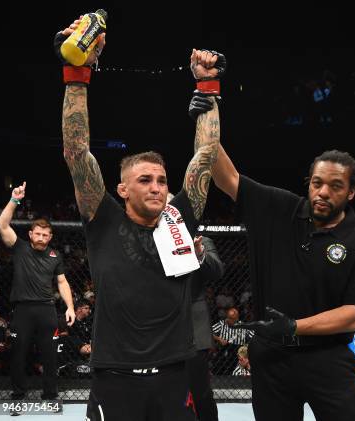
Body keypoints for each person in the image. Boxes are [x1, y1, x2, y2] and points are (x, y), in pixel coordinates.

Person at [56, 17, 223, 421]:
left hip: (174, 373)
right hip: (114, 375)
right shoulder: (103, 217)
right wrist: (77, 73)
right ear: (122, 189)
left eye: (162, 180)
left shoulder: (177, 216)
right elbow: (77, 153)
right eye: (144, 180)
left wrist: (208, 86)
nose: (156, 187)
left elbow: (205, 157)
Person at [189, 79, 355, 420]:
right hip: (271, 359)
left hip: (329, 358)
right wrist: (207, 104)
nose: (323, 192)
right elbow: (225, 177)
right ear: (308, 182)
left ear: (351, 193)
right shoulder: (280, 208)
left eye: (335, 186)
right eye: (317, 183)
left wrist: (294, 327)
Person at [0, 182, 75, 401]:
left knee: (50, 355)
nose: (41, 238)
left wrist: (70, 307)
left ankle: (50, 394)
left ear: (50, 237)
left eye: (45, 235)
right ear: (30, 234)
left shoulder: (55, 256)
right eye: (37, 234)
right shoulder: (19, 248)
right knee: (18, 354)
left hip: (47, 310)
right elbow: (2, 225)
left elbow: (62, 282)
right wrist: (14, 200)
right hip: (22, 310)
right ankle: (18, 392)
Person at [186, 235, 224, 421]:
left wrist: (199, 252)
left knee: (200, 392)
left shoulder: (200, 239)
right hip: (158, 325)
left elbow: (217, 270)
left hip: (192, 327)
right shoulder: (151, 236)